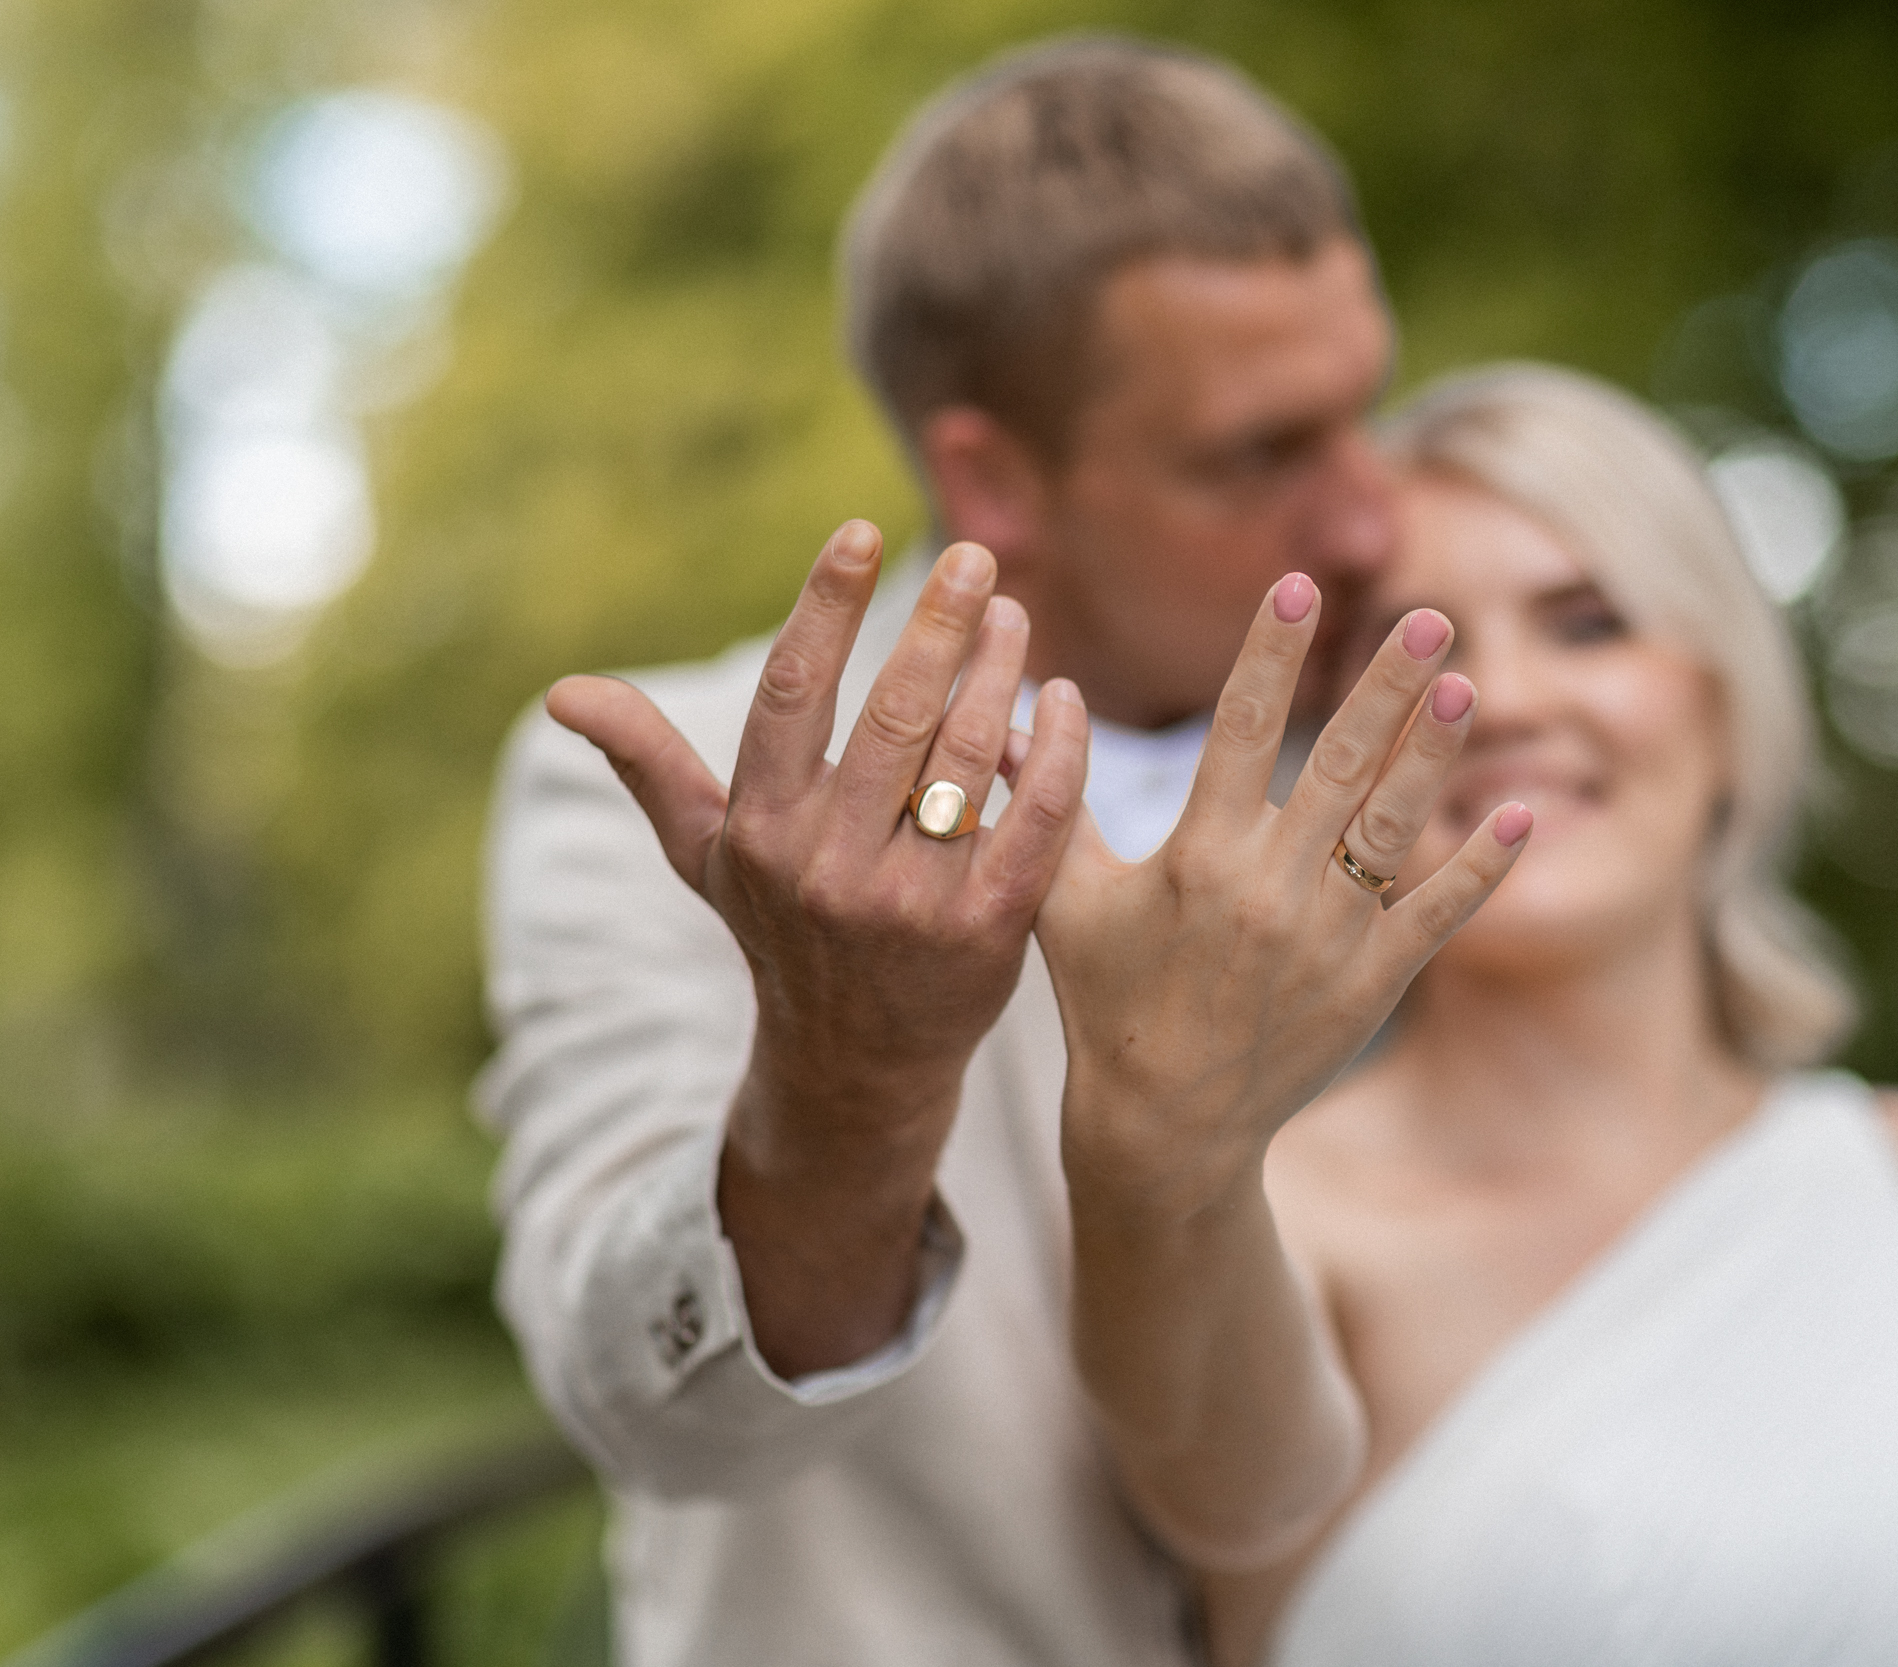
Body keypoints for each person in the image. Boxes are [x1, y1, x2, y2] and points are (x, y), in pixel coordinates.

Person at [474, 37, 1412, 1665]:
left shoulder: (1447, 746)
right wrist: (852, 1078)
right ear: (993, 472)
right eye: (1261, 450)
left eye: (1365, 412)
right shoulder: (675, 802)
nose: (1364, 518)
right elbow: (649, 1406)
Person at [1037, 363, 1898, 1667]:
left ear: (1725, 697)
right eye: (1419, 656)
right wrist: (1156, 1139)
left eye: (1588, 624)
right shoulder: (1279, 1223)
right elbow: (1207, 1470)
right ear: (1331, 744)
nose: (1514, 701)